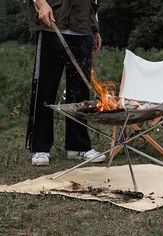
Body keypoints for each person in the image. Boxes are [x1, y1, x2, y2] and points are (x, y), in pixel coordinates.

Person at [26, 0, 106, 165]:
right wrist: (41, 3)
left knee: (80, 91)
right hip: (52, 23)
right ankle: (40, 148)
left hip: (83, 27)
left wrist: (95, 28)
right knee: (45, 87)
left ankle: (78, 147)